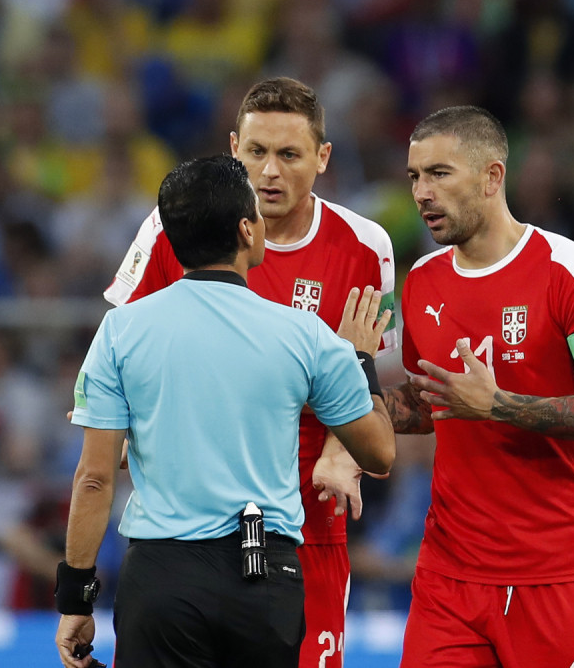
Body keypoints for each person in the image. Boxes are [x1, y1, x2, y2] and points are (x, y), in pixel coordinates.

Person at [53, 155, 395, 668]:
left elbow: (94, 479)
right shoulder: (303, 334)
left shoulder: (120, 332)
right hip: (264, 581)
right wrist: (360, 360)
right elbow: (379, 452)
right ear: (246, 229)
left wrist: (76, 599)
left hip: (161, 578)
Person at [382, 106, 574, 667]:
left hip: (558, 575)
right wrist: (335, 400)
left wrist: (500, 405)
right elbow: (431, 401)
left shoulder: (570, 271)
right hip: (450, 577)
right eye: (414, 176)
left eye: (439, 174)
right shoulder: (422, 281)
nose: (422, 193)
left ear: (492, 176)